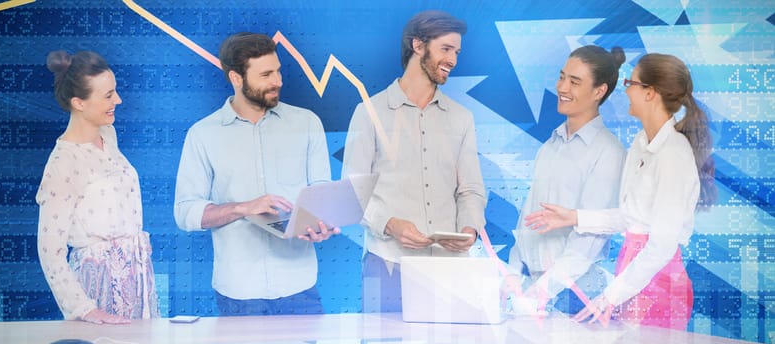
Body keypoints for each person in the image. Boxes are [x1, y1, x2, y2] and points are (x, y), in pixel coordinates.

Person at [524, 53, 716, 330]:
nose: (624, 90)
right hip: (631, 272)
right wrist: (574, 217)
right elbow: (631, 217)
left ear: (650, 93)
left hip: (657, 281)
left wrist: (611, 296)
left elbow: (661, 245)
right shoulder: (640, 143)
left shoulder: (674, 153)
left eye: (630, 83)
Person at [173, 32, 338, 316]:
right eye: (266, 74)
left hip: (300, 289)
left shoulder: (307, 123)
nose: (278, 81)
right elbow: (185, 213)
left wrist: (321, 223)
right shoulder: (203, 134)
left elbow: (321, 191)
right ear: (237, 78)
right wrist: (244, 208)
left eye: (278, 71)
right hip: (238, 294)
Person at [341, 10, 487, 313]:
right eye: (446, 49)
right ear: (417, 45)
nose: (454, 60)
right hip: (388, 264)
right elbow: (352, 190)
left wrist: (470, 228)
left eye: (457, 52)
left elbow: (470, 188)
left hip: (450, 269)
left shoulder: (462, 118)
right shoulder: (369, 112)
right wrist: (390, 224)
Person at [37, 50, 160, 324]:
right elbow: (50, 251)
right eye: (108, 96)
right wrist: (85, 309)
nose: (118, 100)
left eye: (114, 92)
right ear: (78, 103)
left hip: (137, 278)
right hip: (99, 287)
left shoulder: (108, 134)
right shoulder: (63, 163)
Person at [504, 46, 627, 315]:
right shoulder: (550, 144)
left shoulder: (608, 152)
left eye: (575, 82)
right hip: (532, 293)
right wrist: (512, 277)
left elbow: (590, 242)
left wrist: (540, 294)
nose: (562, 87)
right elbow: (528, 217)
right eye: (562, 77)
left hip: (573, 296)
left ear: (599, 91)